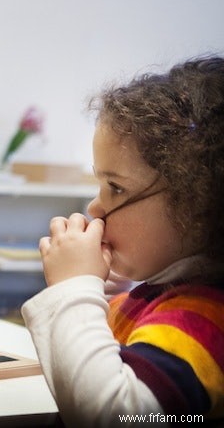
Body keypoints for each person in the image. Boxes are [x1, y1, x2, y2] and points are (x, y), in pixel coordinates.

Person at [22, 56, 224, 426]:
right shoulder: (171, 298)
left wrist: (72, 289)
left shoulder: (204, 321)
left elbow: (114, 417)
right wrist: (113, 296)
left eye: (116, 188)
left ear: (199, 206)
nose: (95, 207)